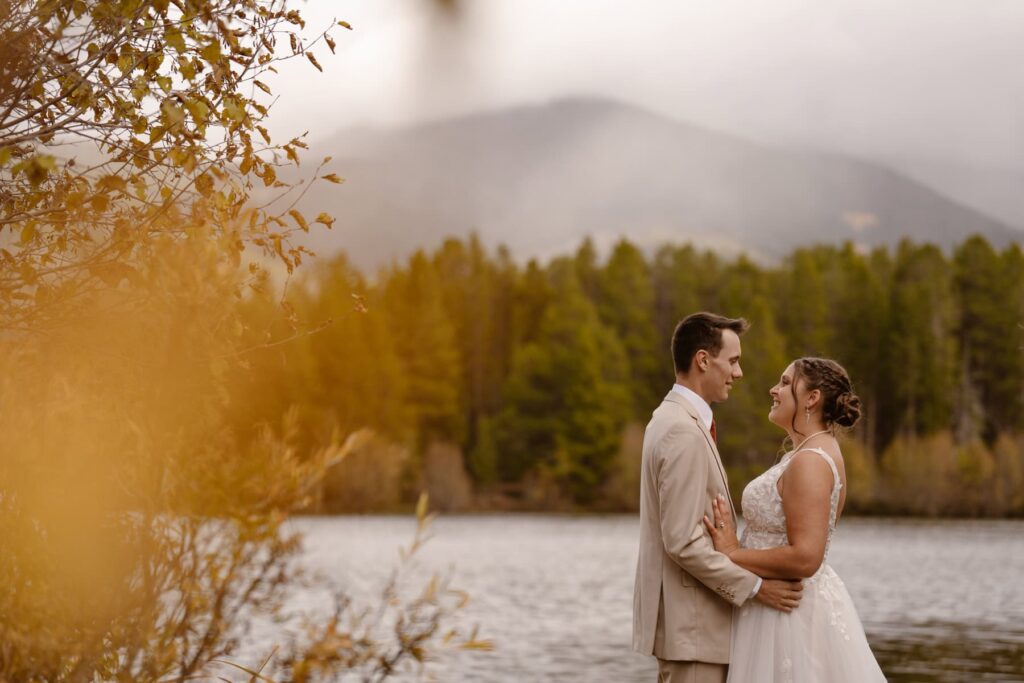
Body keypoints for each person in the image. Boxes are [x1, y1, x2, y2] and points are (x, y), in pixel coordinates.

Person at [633, 312, 804, 683]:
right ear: (703, 360)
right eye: (733, 361)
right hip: (694, 630)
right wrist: (757, 588)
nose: (738, 373)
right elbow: (682, 541)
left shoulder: (671, 419)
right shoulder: (682, 431)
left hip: (692, 632)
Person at [704, 357, 887, 682]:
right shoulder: (806, 453)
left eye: (786, 383)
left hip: (787, 618)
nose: (774, 390)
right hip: (775, 608)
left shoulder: (810, 461)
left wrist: (732, 554)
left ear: (812, 398)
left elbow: (806, 556)